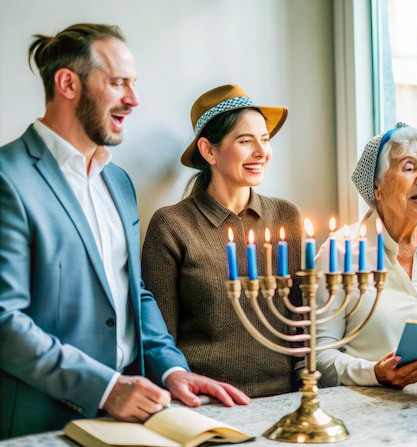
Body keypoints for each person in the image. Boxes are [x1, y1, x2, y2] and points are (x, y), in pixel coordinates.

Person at [0, 24, 249, 440]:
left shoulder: (118, 182)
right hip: (39, 426)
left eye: (133, 84)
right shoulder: (8, 178)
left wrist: (171, 368)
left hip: (131, 423)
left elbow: (134, 292)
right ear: (67, 83)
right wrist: (106, 388)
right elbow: (4, 321)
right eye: (118, 83)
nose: (133, 100)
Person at [141, 84, 304, 398]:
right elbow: (160, 338)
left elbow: (304, 320)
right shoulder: (172, 225)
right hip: (208, 401)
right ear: (208, 151)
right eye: (245, 141)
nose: (262, 152)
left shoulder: (287, 216)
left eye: (265, 139)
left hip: (287, 398)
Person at [315, 123, 417, 389]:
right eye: (409, 167)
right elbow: (319, 358)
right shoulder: (339, 252)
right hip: (372, 414)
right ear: (376, 188)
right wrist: (374, 373)